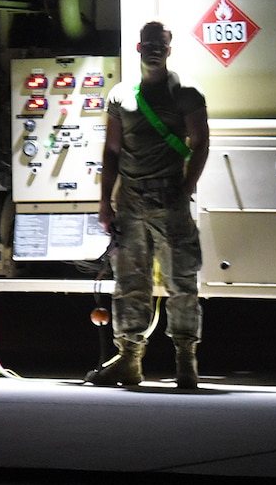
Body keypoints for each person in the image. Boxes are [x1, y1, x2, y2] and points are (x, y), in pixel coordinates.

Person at [87, 21, 211, 389]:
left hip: (169, 200)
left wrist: (187, 187)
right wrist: (105, 203)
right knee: (129, 282)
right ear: (139, 48)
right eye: (150, 44)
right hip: (131, 202)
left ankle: (186, 362)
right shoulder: (122, 96)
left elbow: (200, 142)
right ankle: (129, 361)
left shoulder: (186, 94)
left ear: (169, 50)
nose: (155, 49)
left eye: (162, 44)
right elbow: (111, 151)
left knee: (181, 281)